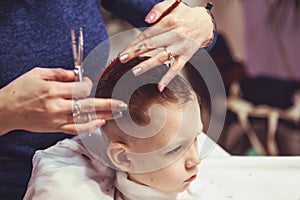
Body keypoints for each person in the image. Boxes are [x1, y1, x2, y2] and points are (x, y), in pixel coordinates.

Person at [0, 0, 216, 198]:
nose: (196, 160)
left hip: (106, 156)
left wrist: (201, 23)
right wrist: (5, 110)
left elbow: (179, 19)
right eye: (176, 149)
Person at [24, 56, 221, 200]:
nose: (195, 160)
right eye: (176, 150)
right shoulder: (65, 188)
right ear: (123, 157)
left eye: (196, 137)